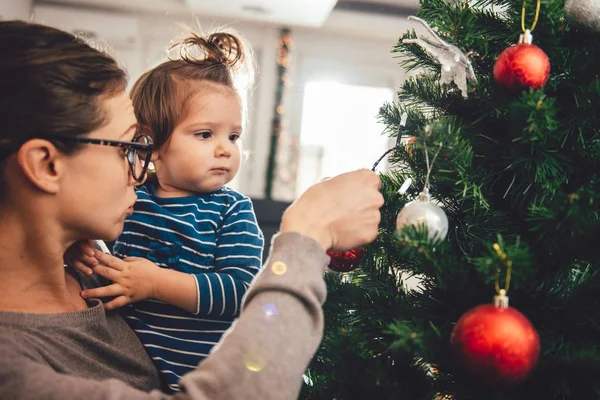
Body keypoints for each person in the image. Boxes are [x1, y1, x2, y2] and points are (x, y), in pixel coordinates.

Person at [0, 20, 384, 399]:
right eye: (129, 148)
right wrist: (307, 236)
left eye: (233, 136)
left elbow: (237, 287)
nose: (139, 171)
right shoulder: (15, 371)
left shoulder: (86, 267)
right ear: (46, 165)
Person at [67, 30, 264, 392]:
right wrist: (79, 246)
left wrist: (156, 284)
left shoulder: (232, 210)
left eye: (233, 137)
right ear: (151, 145)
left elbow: (241, 291)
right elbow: (89, 231)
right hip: (129, 371)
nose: (225, 149)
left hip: (204, 381)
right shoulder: (130, 195)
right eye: (205, 134)